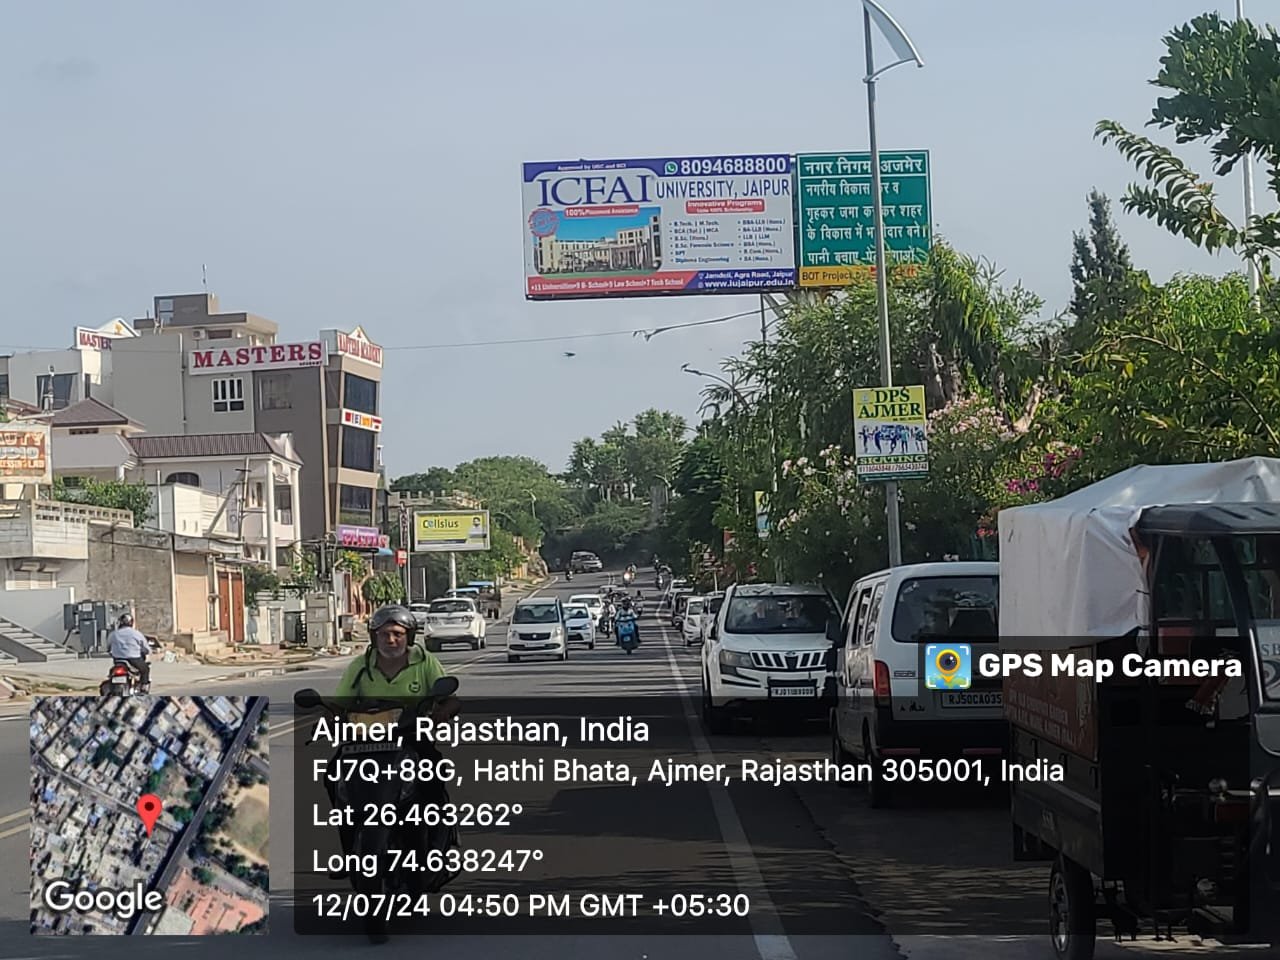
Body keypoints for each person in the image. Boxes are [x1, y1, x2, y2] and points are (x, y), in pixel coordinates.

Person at [335, 604, 455, 714]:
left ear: (409, 637)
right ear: (374, 638)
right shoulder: (360, 665)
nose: (391, 640)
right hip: (371, 728)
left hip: (415, 728)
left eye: (398, 634)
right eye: (384, 634)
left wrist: (443, 712)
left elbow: (451, 701)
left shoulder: (425, 661)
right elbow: (339, 705)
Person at [107, 614, 151, 691]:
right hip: (134, 659)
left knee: (112, 672)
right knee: (145, 669)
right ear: (131, 623)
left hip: (118, 659)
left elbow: (108, 647)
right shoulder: (136, 634)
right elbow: (146, 648)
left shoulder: (113, 634)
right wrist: (146, 651)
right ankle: (143, 686)